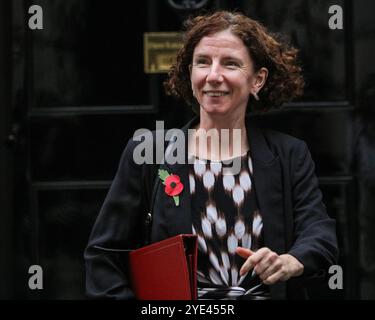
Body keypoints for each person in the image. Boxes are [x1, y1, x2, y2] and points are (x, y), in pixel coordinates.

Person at [84, 11, 338, 300]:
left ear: (258, 80)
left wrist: (291, 261)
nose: (213, 76)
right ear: (190, 73)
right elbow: (104, 256)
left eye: (230, 64)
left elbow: (320, 233)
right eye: (203, 62)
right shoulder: (149, 153)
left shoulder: (289, 154)